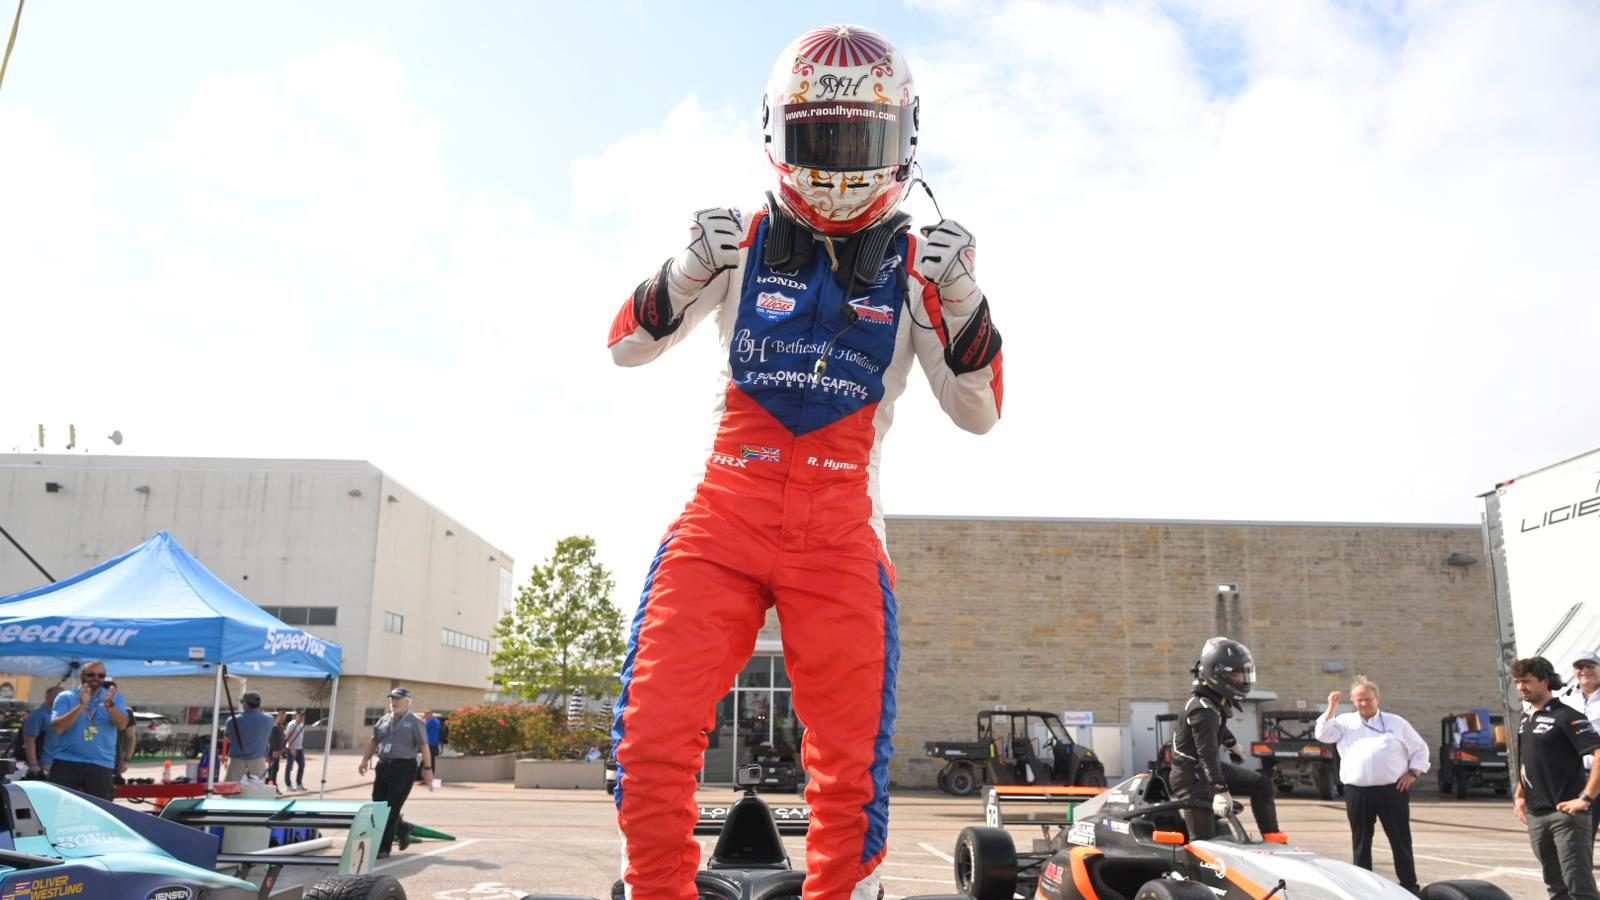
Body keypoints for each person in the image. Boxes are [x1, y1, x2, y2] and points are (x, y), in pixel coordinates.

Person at [606, 24, 1003, 900]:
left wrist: (966, 298)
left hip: (841, 528)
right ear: (778, 131)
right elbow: (625, 346)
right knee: (650, 731)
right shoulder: (739, 239)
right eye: (820, 138)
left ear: (903, 138)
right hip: (725, 511)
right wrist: (683, 270)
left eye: (858, 141)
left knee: (850, 761)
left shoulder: (923, 266)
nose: (839, 163)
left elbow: (978, 412)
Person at [1314, 676, 1430, 895]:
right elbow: (1322, 733)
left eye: (1368, 699)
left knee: (1400, 839)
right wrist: (1331, 707)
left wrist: (1413, 773)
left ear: (1377, 698)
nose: (1364, 704)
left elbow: (1420, 749)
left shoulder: (1396, 723)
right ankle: (1362, 888)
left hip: (1392, 790)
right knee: (1361, 841)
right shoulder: (1344, 722)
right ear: (1353, 701)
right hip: (1357, 791)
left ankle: (1409, 886)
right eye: (1359, 700)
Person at [1169, 637, 1285, 842]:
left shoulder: (1213, 703)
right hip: (1192, 778)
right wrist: (1220, 791)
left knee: (1262, 785)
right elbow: (1207, 754)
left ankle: (1273, 838)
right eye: (1236, 674)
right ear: (1218, 674)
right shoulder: (1202, 709)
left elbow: (1218, 727)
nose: (1242, 680)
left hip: (1204, 771)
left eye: (1243, 674)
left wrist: (1231, 744)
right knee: (1203, 842)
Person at [1513, 656, 1600, 900]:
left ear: (1545, 681)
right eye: (1517, 682)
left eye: (1526, 681)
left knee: (1578, 886)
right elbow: (1527, 761)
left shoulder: (1567, 716)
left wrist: (1585, 798)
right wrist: (1520, 794)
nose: (1521, 687)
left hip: (1566, 815)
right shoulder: (1526, 718)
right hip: (1536, 814)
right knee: (1555, 885)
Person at [358, 688, 434, 858]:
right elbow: (374, 741)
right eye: (392, 699)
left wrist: (428, 769)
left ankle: (383, 847)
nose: (394, 702)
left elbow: (424, 746)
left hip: (404, 767)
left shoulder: (415, 722)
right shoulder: (384, 720)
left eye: (398, 699)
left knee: (391, 807)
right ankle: (403, 828)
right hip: (384, 766)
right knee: (378, 805)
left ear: (408, 702)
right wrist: (364, 760)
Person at [48, 661, 128, 800]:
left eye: (101, 675)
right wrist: (81, 705)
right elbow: (58, 728)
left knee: (100, 809)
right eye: (91, 674)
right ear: (82, 676)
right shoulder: (66, 697)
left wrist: (110, 706)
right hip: (66, 761)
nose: (96, 678)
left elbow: (122, 725)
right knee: (57, 807)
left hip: (101, 763)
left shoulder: (114, 697)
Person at [224, 691, 275, 781]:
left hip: (236, 762)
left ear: (246, 704)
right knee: (257, 788)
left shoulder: (232, 720)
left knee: (233, 788)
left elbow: (227, 738)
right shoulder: (269, 719)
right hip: (258, 762)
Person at [22, 686, 62, 780]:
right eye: (58, 696)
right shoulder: (39, 714)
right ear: (48, 696)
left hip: (61, 762)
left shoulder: (61, 714)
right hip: (45, 764)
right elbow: (29, 740)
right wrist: (33, 764)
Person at [283, 711, 308, 791]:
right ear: (296, 716)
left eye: (303, 717)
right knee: (289, 766)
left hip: (299, 748)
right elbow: (287, 736)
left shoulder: (301, 724)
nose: (301, 718)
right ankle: (288, 785)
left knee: (302, 765)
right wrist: (291, 748)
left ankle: (299, 783)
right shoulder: (292, 724)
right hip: (291, 748)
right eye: (300, 716)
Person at [264, 710, 288, 791]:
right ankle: (272, 786)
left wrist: (283, 748)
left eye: (284, 718)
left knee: (275, 769)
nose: (283, 719)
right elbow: (271, 740)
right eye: (282, 717)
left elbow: (283, 739)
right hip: (273, 752)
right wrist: (275, 750)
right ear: (277, 717)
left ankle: (270, 785)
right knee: (272, 770)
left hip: (279, 751)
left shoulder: (281, 727)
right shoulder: (274, 727)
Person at [420, 710, 441, 784]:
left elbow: (422, 728)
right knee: (431, 760)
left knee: (428, 760)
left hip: (429, 743)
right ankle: (429, 777)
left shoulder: (431, 722)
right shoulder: (436, 721)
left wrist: (422, 720)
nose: (425, 716)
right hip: (434, 743)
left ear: (429, 714)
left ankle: (427, 778)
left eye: (425, 715)